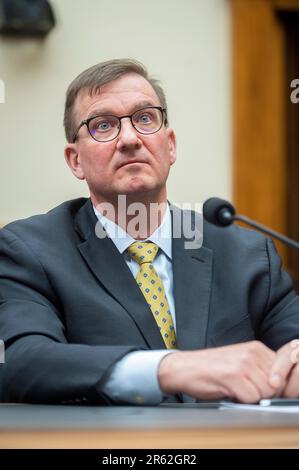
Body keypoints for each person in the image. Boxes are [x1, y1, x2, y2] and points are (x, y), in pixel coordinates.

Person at [0, 58, 299, 405]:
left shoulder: (248, 255)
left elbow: (291, 349)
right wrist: (170, 368)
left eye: (145, 118)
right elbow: (23, 362)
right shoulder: (30, 250)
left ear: (169, 144)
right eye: (103, 125)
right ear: (75, 160)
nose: (129, 139)